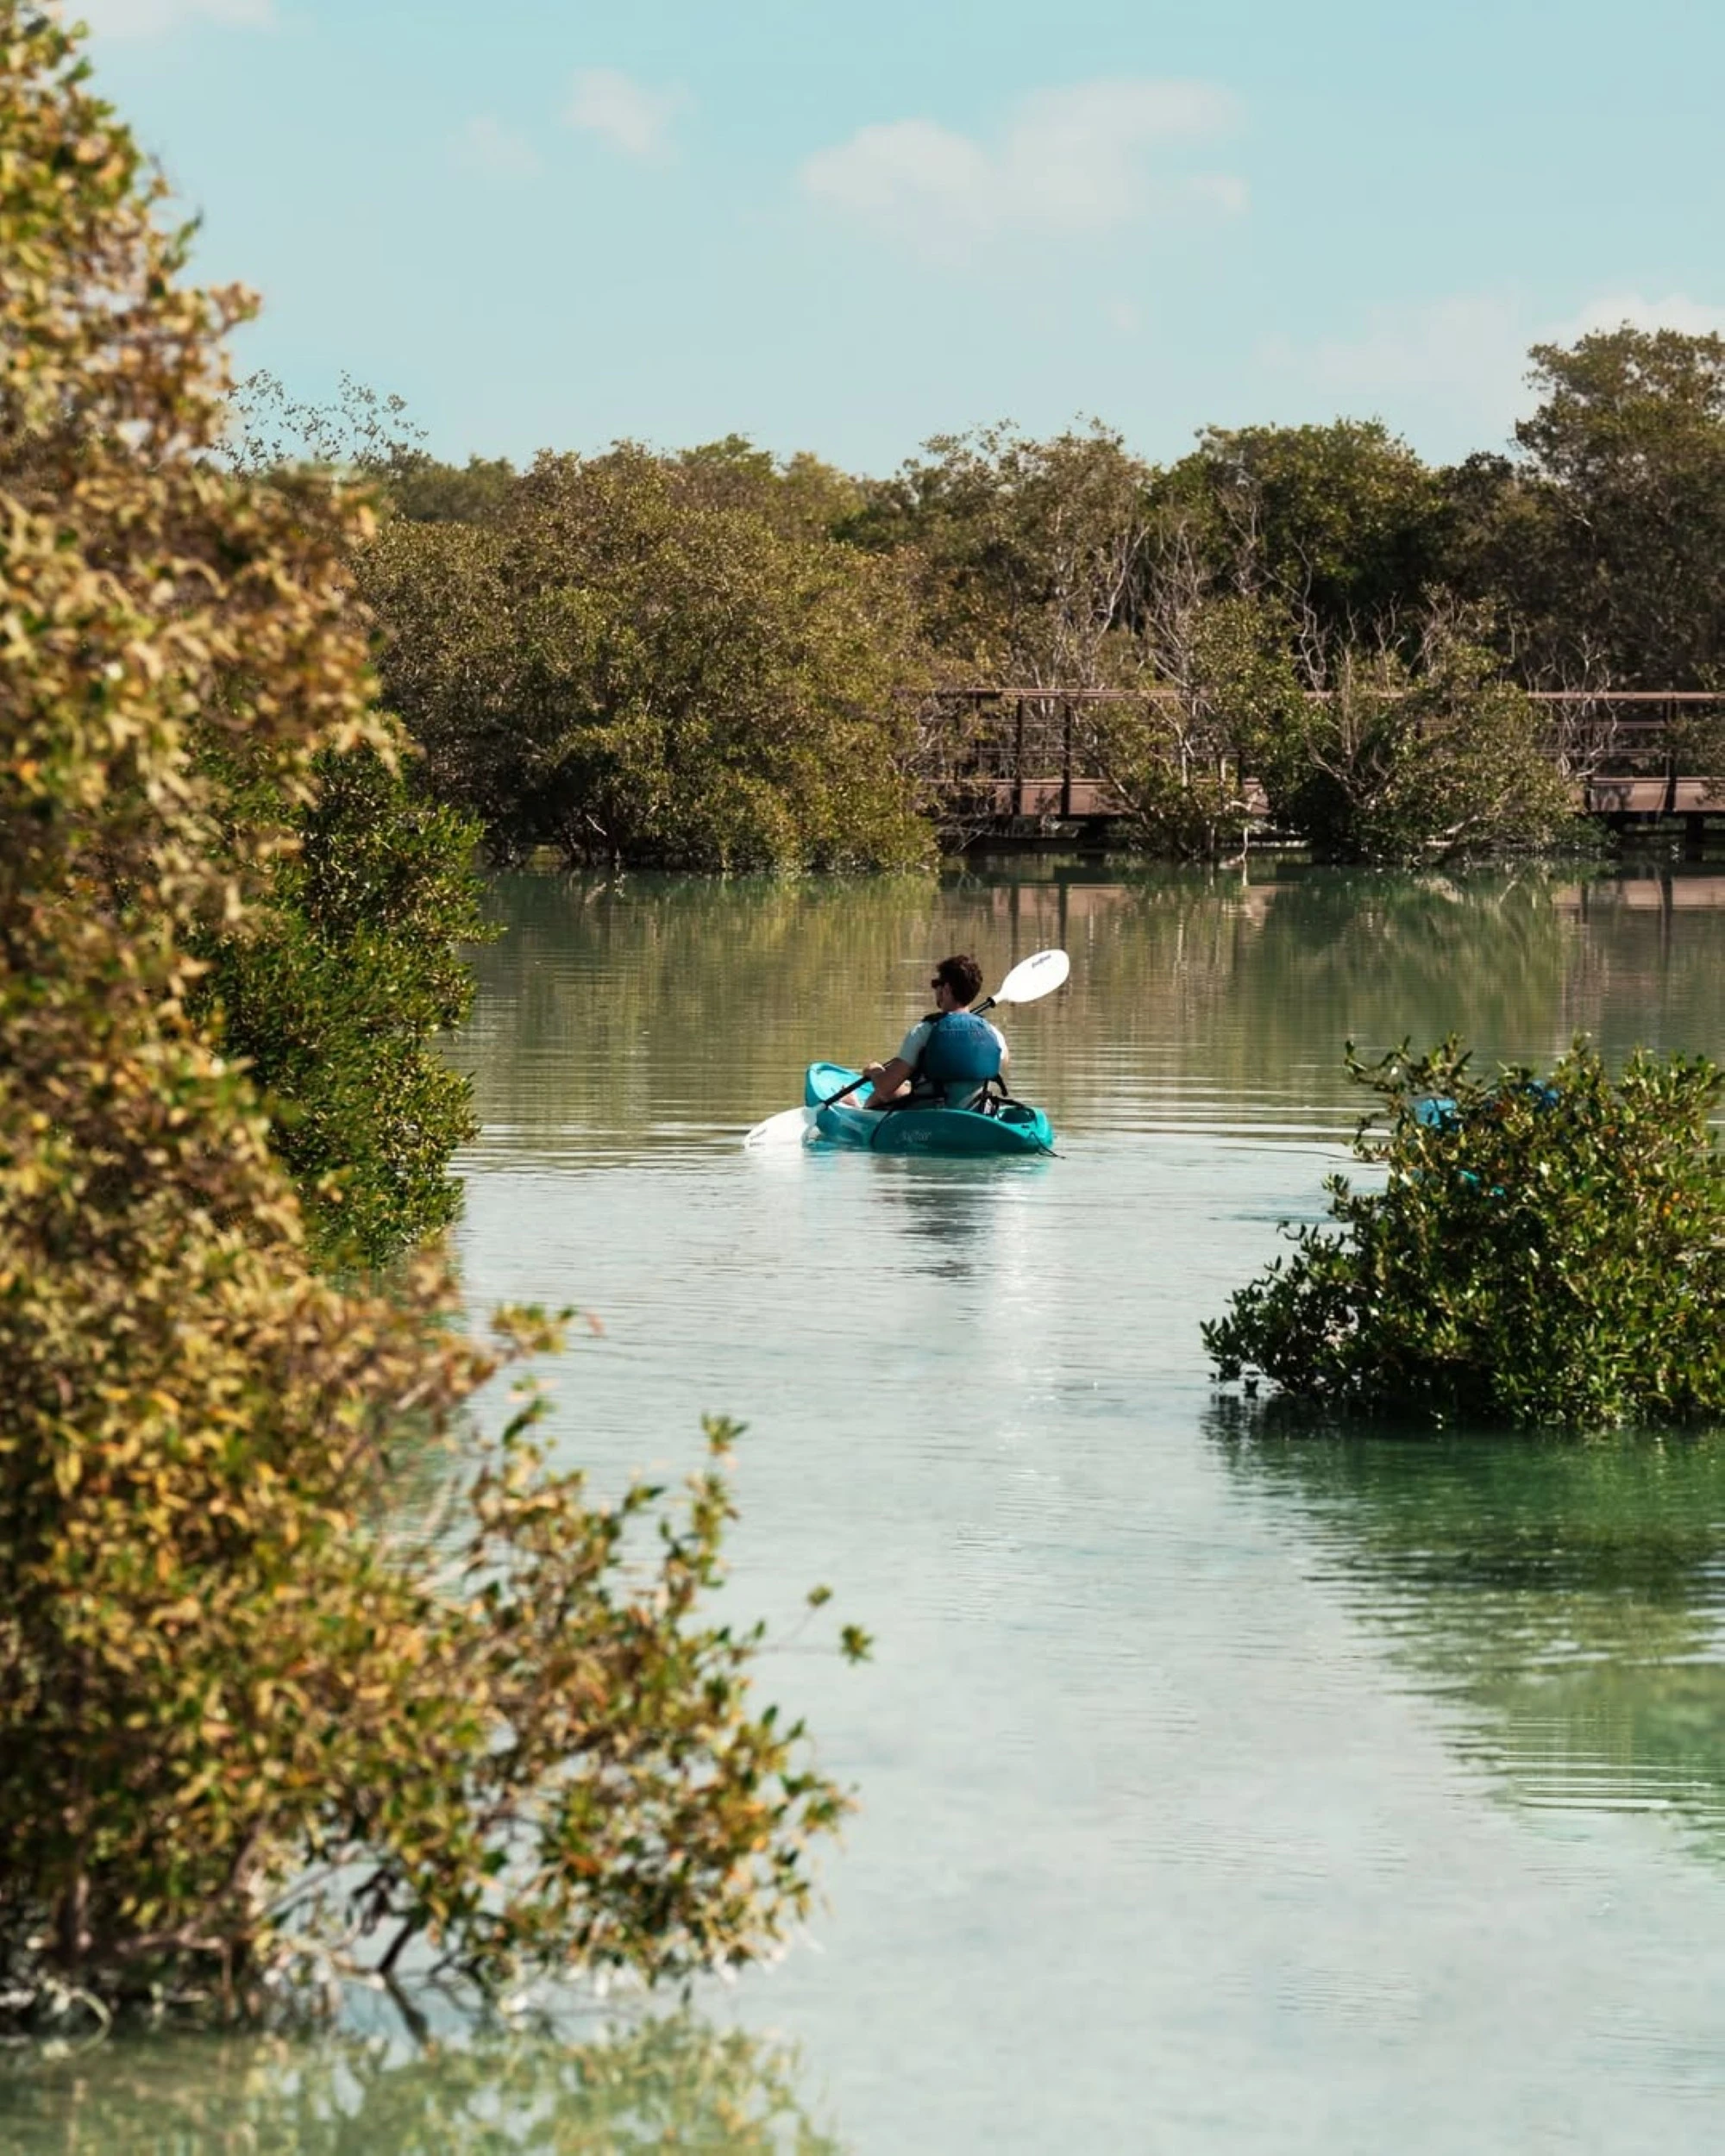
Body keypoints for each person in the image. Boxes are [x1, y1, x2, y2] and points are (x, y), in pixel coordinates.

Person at [860, 953, 1009, 1111]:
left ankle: (854, 1105)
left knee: (879, 1095)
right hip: (977, 1114)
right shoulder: (993, 1034)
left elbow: (885, 1088)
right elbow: (1003, 1061)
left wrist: (874, 1072)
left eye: (936, 984)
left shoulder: (923, 1032)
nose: (935, 989)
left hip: (930, 1117)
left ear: (946, 989)